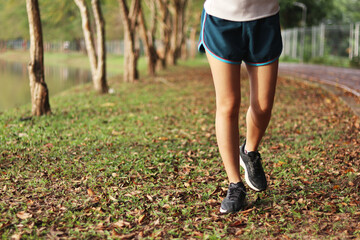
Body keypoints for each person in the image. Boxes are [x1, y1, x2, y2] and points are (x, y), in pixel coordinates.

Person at [198, 0, 283, 213]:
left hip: (264, 19)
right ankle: (235, 185)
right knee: (228, 104)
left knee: (263, 106)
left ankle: (249, 150)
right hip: (221, 18)